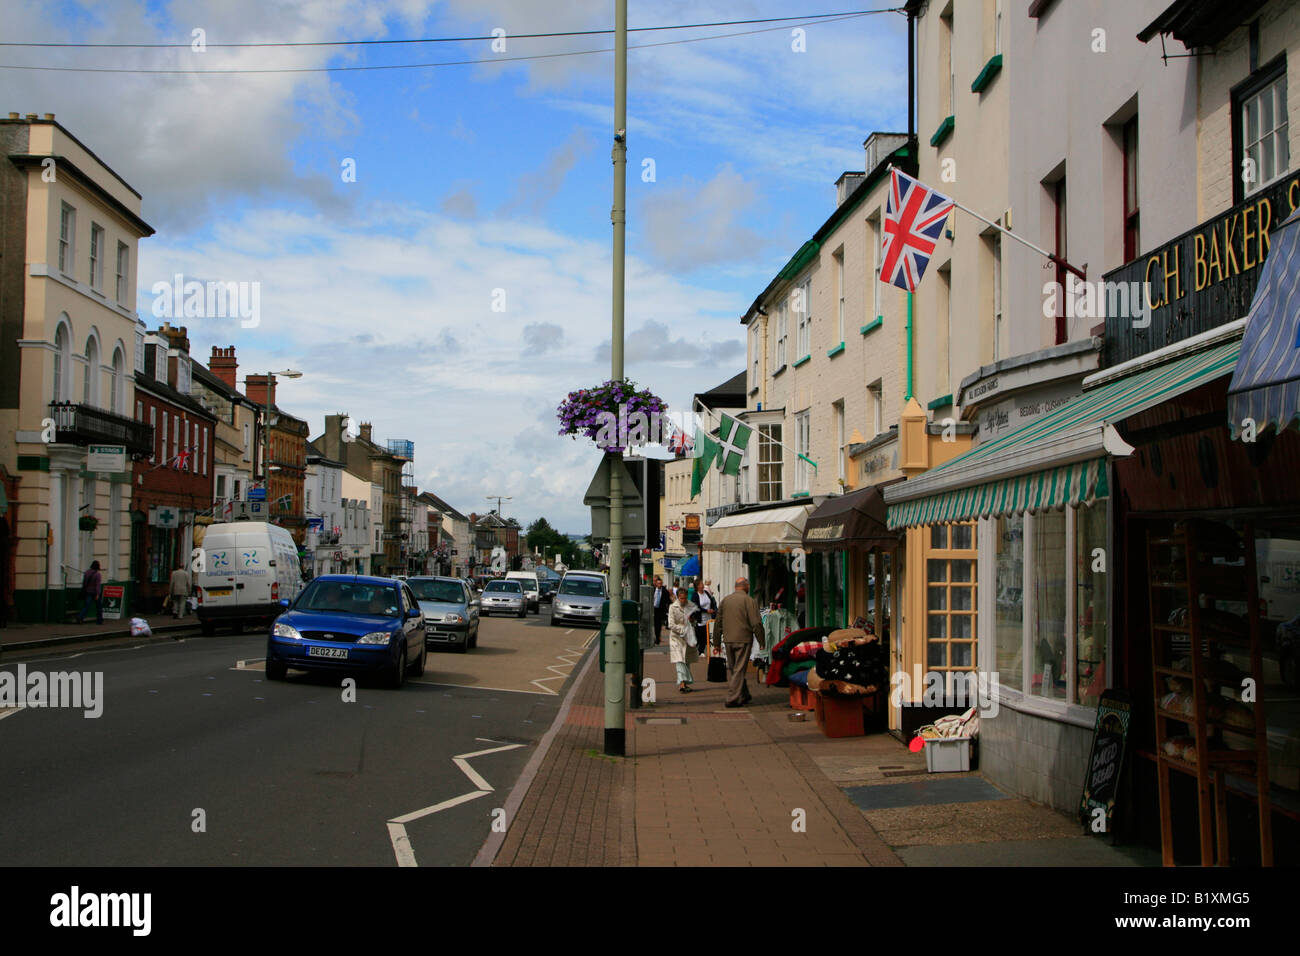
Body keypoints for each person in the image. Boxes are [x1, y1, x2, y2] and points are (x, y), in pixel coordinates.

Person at [714, 577, 764, 708]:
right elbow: (756, 623)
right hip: (743, 639)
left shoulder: (725, 600)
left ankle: (744, 694)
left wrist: (717, 642)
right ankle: (733, 698)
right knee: (739, 669)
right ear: (746, 586)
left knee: (734, 668)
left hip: (728, 639)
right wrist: (761, 640)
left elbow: (718, 622)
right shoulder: (749, 601)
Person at [667, 587, 699, 693]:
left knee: (687, 660)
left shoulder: (691, 606)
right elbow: (671, 624)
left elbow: (695, 622)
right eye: (681, 599)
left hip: (688, 637)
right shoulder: (672, 607)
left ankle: (685, 683)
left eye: (685, 598)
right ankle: (682, 683)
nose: (683, 600)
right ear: (677, 597)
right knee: (679, 660)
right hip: (676, 638)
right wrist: (682, 629)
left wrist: (692, 621)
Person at [77, 560, 103, 625]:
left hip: (88, 592)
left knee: (86, 606)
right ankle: (99, 620)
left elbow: (84, 583)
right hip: (95, 592)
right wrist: (97, 594)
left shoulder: (86, 573)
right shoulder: (97, 574)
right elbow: (97, 585)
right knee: (99, 607)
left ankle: (80, 617)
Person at [651, 575, 672, 645]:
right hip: (653, 609)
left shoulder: (665, 591)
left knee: (658, 625)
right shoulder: (652, 590)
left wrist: (669, 608)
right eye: (658, 583)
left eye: (660, 583)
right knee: (655, 624)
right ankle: (655, 637)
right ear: (656, 584)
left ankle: (657, 638)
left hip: (661, 609)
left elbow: (668, 601)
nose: (659, 585)